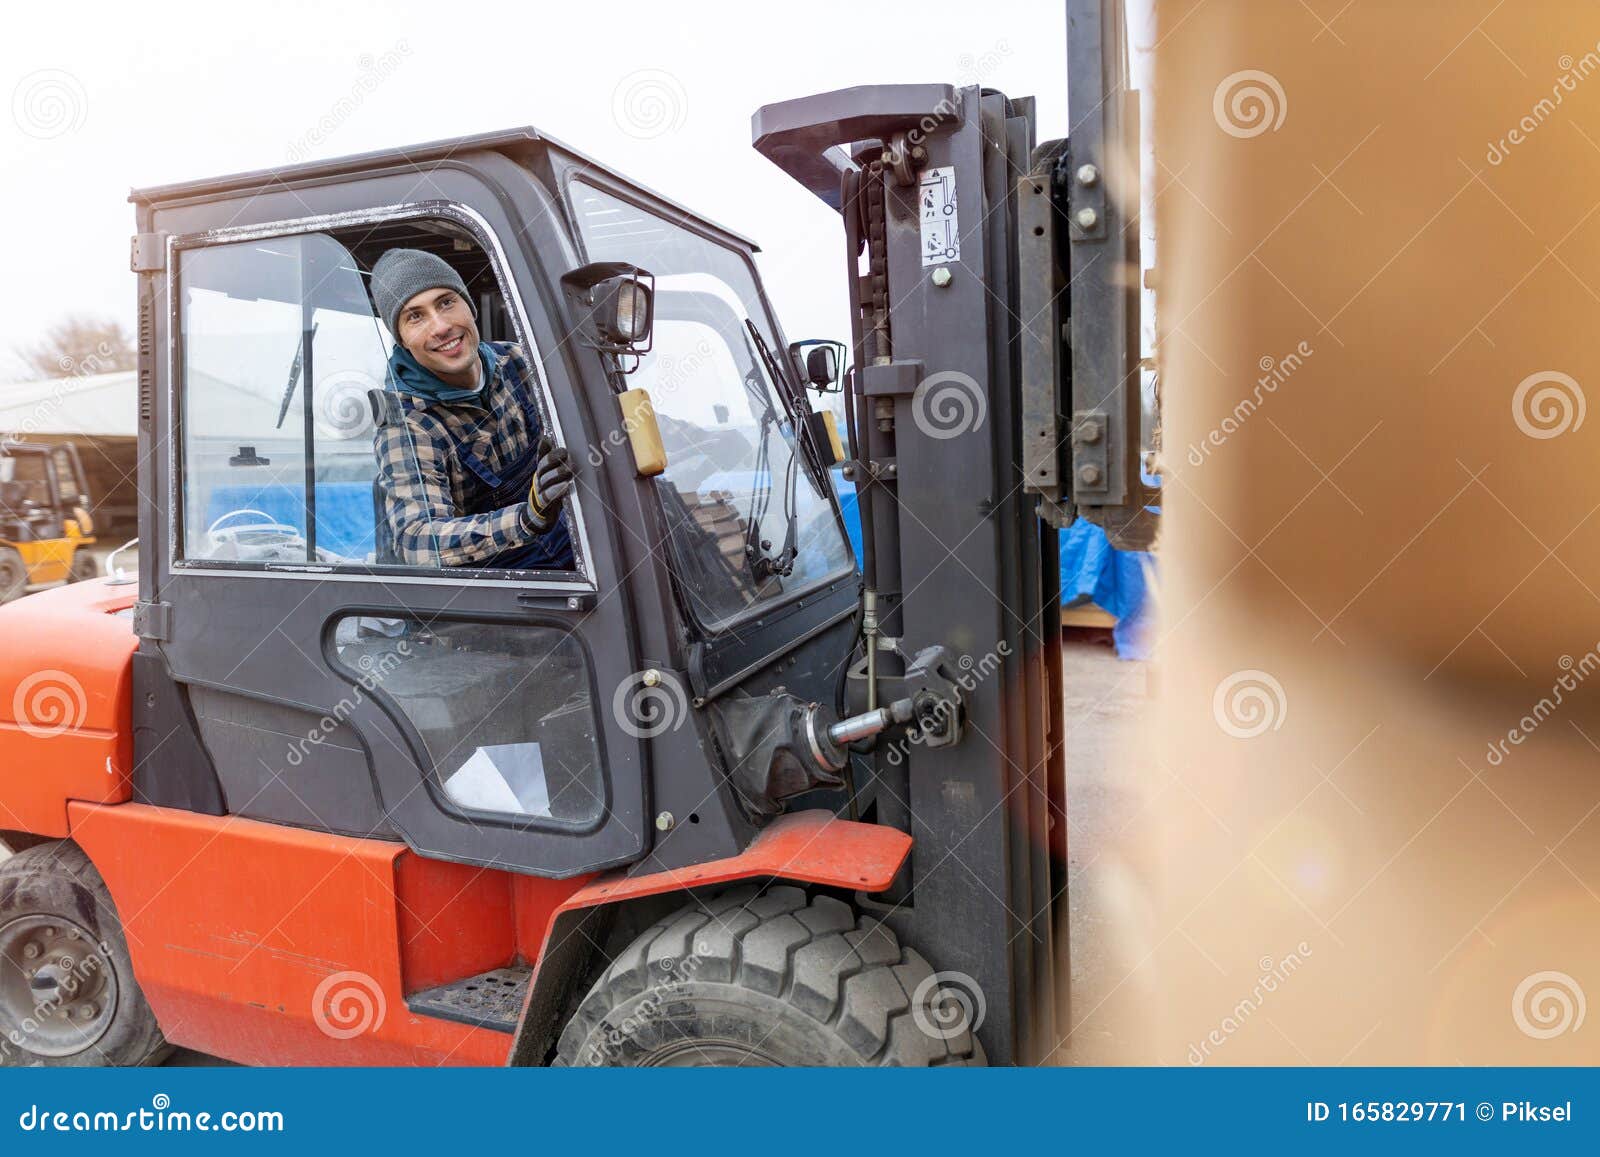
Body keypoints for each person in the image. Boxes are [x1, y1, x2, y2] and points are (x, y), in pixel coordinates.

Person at [368, 248, 575, 569]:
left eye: (446, 302)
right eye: (415, 316)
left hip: (576, 555)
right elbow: (418, 541)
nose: (440, 327)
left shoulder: (519, 363)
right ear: (402, 340)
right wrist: (527, 517)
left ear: (470, 306)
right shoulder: (408, 426)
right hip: (503, 596)